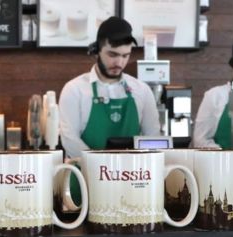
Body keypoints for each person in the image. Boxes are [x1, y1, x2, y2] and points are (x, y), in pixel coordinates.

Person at [59, 16, 160, 159]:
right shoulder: (74, 90)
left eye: (125, 56)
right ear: (96, 51)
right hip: (85, 177)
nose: (119, 62)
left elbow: (153, 138)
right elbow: (69, 139)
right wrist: (102, 166)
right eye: (113, 54)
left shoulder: (142, 90)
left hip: (131, 176)